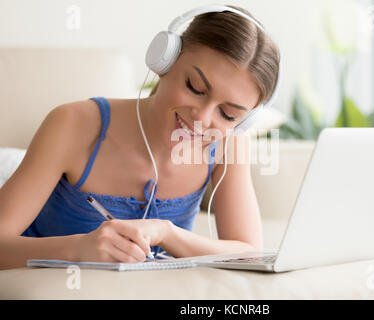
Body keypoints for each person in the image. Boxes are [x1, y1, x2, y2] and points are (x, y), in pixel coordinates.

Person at [0, 5, 280, 269]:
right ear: (165, 60)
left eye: (228, 114)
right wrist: (79, 249)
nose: (202, 120)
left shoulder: (227, 145)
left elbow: (248, 254)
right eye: (194, 87)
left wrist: (166, 233)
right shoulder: (73, 124)